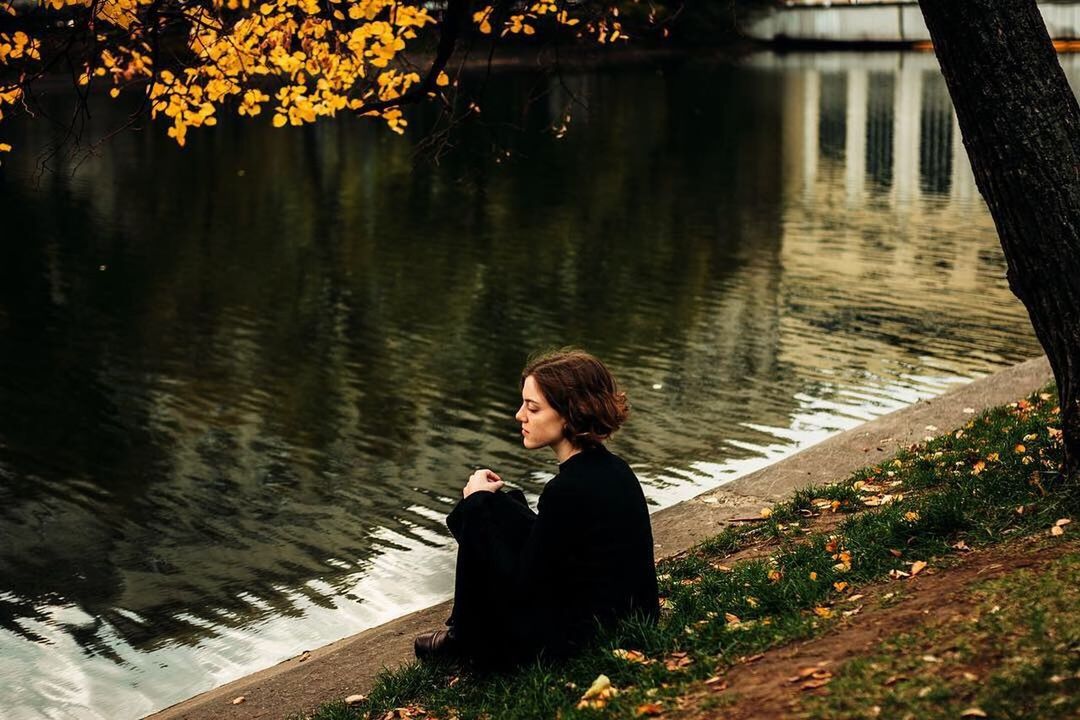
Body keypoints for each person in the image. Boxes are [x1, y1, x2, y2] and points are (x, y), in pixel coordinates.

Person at [414, 349, 660, 666]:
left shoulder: (565, 491)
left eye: (533, 408)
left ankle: (462, 639)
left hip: (579, 640)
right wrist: (486, 505)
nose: (520, 415)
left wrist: (476, 504)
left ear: (571, 414)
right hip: (627, 617)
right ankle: (460, 630)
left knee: (480, 510)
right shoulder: (615, 470)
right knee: (498, 506)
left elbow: (523, 589)